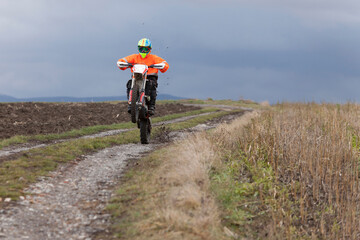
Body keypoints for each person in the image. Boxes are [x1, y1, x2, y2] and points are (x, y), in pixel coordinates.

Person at [117, 38, 169, 115]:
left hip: (150, 77)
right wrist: (121, 63)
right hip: (137, 77)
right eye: (141, 48)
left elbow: (165, 64)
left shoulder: (154, 58)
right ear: (138, 49)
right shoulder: (134, 57)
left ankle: (151, 106)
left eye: (145, 49)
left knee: (152, 85)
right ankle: (130, 103)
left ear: (149, 49)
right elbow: (123, 61)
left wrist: (162, 66)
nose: (143, 51)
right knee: (129, 83)